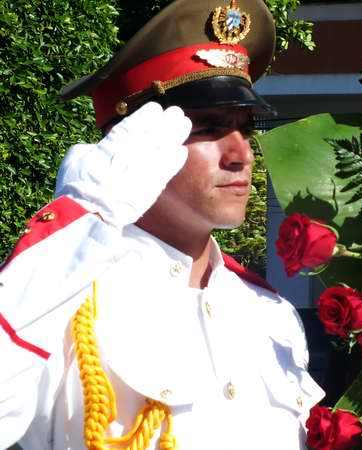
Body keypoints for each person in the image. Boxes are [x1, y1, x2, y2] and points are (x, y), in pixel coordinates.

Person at [0, 0, 324, 448]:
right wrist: (83, 216)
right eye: (209, 127)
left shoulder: (272, 314)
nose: (241, 154)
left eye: (246, 128)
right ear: (136, 140)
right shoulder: (61, 300)